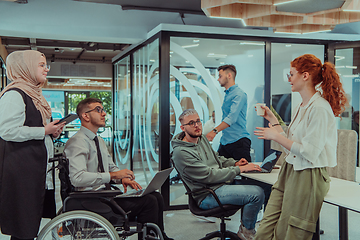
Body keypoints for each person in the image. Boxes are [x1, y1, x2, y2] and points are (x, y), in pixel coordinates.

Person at [254, 54, 348, 240]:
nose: (289, 79)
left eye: (291, 74)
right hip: (291, 169)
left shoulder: (319, 108)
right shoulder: (301, 105)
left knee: (289, 232)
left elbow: (309, 152)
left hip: (309, 175)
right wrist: (274, 122)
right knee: (265, 228)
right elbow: (292, 146)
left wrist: (275, 136)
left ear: (305, 76)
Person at [64, 97, 173, 240]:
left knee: (156, 196)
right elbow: (77, 179)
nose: (104, 113)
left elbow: (110, 166)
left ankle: (160, 236)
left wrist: (123, 178)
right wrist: (113, 176)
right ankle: (150, 237)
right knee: (149, 202)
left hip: (105, 194)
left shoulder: (99, 140)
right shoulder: (77, 142)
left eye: (103, 110)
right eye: (98, 110)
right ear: (85, 116)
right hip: (91, 199)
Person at [0, 50, 65, 240]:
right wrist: (43, 131)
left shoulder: (34, 94)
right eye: (41, 65)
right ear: (25, 67)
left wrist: (50, 133)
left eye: (46, 65)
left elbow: (33, 130)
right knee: (23, 228)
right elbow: (7, 131)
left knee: (28, 226)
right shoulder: (14, 94)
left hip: (33, 170)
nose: (46, 69)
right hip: (21, 172)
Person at [172, 109, 265, 240]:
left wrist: (235, 164)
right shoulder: (181, 153)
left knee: (262, 185)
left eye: (198, 121)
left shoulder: (201, 138)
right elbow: (209, 175)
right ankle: (247, 232)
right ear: (182, 127)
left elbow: (217, 158)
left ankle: (248, 227)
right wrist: (240, 170)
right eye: (191, 123)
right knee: (256, 194)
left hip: (221, 185)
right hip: (208, 194)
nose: (197, 125)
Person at [206, 64, 252, 162]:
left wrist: (214, 131)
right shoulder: (228, 94)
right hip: (225, 141)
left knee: (243, 174)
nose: (218, 79)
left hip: (239, 142)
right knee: (219, 170)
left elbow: (231, 118)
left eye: (220, 76)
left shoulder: (239, 94)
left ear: (229, 76)